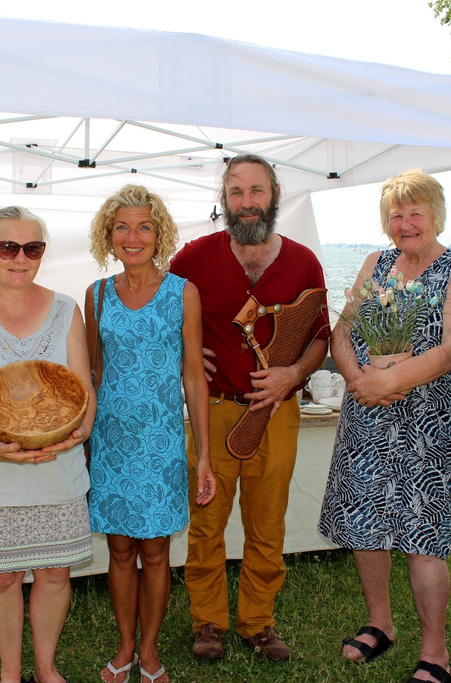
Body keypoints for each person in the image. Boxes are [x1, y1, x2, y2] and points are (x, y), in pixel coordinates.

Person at [317, 169, 451, 683]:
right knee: (367, 527)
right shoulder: (376, 263)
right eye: (396, 214)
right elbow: (341, 331)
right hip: (367, 415)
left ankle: (436, 653)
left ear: (436, 215)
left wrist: (393, 380)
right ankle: (380, 624)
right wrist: (359, 378)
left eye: (416, 212)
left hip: (425, 423)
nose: (405, 223)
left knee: (422, 538)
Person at [169, 154, 330, 662]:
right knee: (207, 523)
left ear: (274, 194)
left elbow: (320, 337)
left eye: (256, 191)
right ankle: (209, 622)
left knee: (268, 524)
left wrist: (294, 375)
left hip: (277, 414)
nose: (246, 202)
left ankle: (258, 622)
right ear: (224, 199)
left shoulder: (303, 261)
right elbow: (157, 319)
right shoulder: (191, 259)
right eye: (236, 191)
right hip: (211, 411)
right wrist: (184, 351)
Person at [0, 206, 94, 683]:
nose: (19, 258)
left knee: (54, 573)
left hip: (58, 461)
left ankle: (45, 668)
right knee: (3, 575)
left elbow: (83, 387)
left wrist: (80, 432)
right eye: (8, 247)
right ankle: (11, 672)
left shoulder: (67, 308)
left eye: (32, 248)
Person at [85, 185, 216, 683]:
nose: (132, 236)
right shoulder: (95, 296)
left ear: (158, 233)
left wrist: (202, 456)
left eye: (143, 226)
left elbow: (193, 379)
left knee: (157, 552)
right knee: (120, 550)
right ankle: (124, 649)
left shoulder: (183, 292)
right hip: (112, 445)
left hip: (160, 444)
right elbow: (93, 374)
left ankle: (151, 650)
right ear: (108, 234)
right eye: (122, 227)